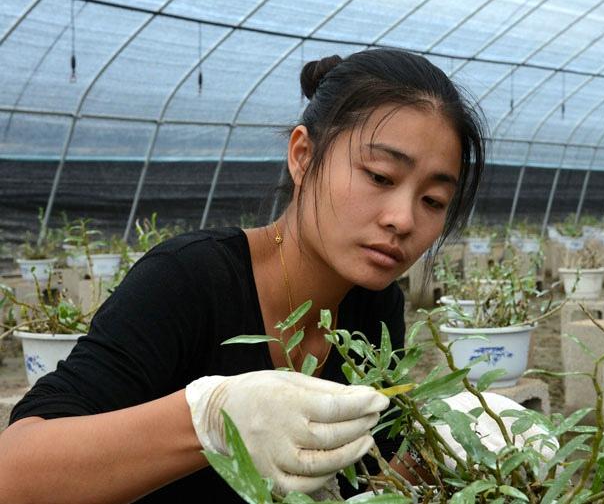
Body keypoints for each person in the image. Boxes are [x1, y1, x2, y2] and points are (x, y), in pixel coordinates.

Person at [0, 48, 485, 503]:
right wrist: (207, 420)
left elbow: (360, 483)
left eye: (433, 201)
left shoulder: (374, 307)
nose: (403, 219)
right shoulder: (189, 281)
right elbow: (15, 472)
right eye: (380, 176)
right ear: (303, 156)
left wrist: (434, 455)